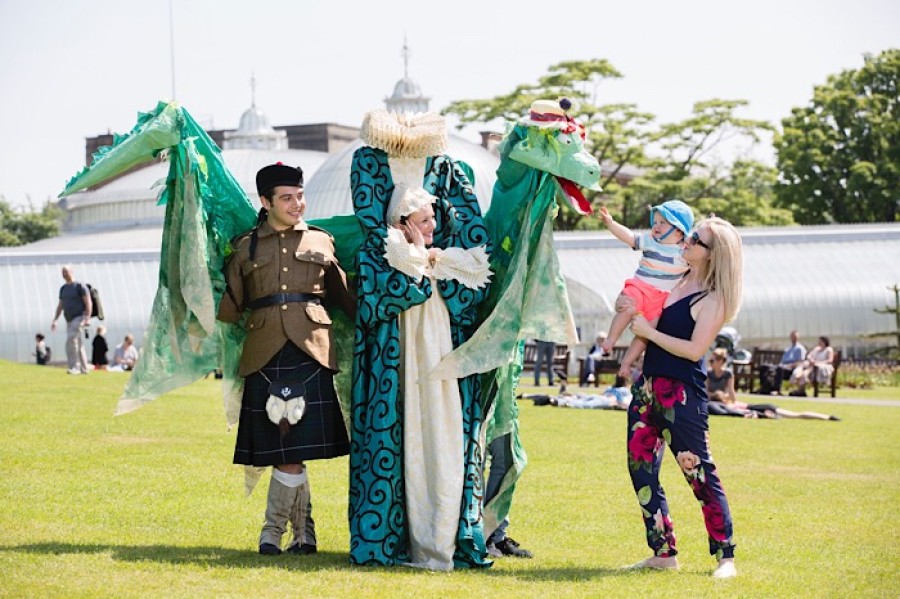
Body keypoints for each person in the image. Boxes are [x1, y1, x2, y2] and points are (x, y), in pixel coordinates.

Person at [349, 109, 492, 570]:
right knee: (397, 416)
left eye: (433, 220)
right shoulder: (385, 244)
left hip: (440, 328)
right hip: (396, 338)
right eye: (421, 220)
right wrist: (413, 262)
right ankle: (395, 536)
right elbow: (379, 276)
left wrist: (433, 262)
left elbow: (473, 255)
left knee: (444, 420)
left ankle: (446, 532)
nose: (430, 227)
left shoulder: (449, 174)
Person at [216, 163, 356, 556]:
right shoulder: (245, 247)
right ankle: (304, 533)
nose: (297, 204)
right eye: (287, 198)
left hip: (312, 348)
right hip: (263, 352)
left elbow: (348, 301)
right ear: (265, 202)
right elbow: (230, 308)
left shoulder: (323, 241)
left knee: (288, 450)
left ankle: (272, 533)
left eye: (300, 195)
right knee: (287, 450)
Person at [622, 216, 742, 579]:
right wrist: (630, 352)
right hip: (648, 389)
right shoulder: (675, 279)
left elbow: (693, 350)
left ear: (712, 254)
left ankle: (726, 557)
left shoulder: (714, 299)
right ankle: (663, 552)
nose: (685, 241)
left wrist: (647, 332)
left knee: (699, 474)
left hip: (682, 396)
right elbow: (643, 315)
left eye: (695, 239)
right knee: (641, 471)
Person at [598, 200, 693, 358]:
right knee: (628, 307)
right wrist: (611, 224)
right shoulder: (650, 241)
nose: (656, 225)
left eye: (662, 222)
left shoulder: (685, 252)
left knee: (648, 330)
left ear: (679, 229)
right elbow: (629, 237)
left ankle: (628, 361)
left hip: (660, 297)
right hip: (639, 287)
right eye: (655, 222)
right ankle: (611, 339)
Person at [706, 348, 839, 420]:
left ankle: (827, 417)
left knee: (794, 415)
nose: (710, 363)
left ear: (720, 361)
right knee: (792, 416)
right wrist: (718, 395)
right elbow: (706, 393)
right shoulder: (708, 375)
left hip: (751, 407)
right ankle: (827, 418)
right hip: (732, 404)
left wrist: (723, 397)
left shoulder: (728, 375)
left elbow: (732, 396)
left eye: (713, 360)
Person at [50, 265, 92, 375]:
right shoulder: (63, 289)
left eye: (66, 271)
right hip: (68, 319)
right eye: (62, 272)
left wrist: (87, 317)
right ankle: (84, 368)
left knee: (71, 339)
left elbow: (88, 302)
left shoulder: (80, 286)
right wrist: (55, 320)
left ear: (72, 272)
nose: (64, 274)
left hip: (79, 317)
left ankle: (74, 367)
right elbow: (60, 305)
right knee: (77, 342)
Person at [549, 374, 632, 409]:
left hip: (599, 396)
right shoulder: (624, 390)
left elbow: (602, 394)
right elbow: (623, 402)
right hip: (606, 400)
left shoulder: (611, 388)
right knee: (585, 404)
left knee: (582, 398)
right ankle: (565, 402)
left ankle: (562, 398)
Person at [773, 330, 806, 394]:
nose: (793, 338)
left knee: (780, 370)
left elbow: (800, 362)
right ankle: (765, 388)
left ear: (798, 337)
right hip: (784, 367)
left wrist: (789, 365)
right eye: (792, 337)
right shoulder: (788, 348)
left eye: (795, 337)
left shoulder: (800, 348)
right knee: (767, 368)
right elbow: (783, 360)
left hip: (792, 368)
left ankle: (777, 390)